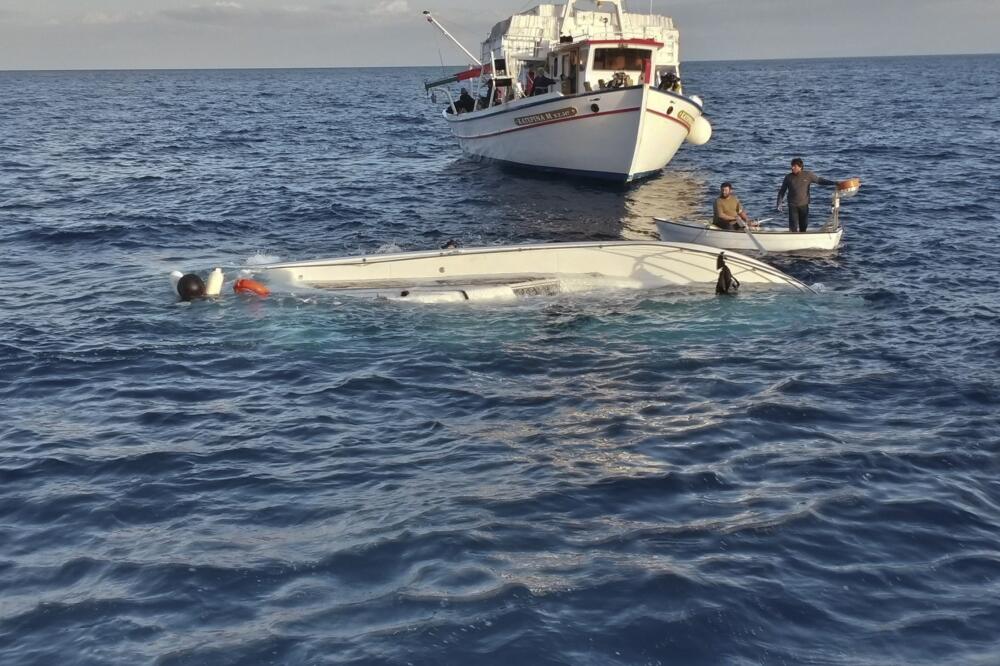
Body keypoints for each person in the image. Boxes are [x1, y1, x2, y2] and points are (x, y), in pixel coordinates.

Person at [776, 157, 836, 232]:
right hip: (792, 205)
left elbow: (819, 180)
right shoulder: (788, 177)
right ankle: (793, 237)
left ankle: (802, 237)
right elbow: (782, 191)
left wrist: (834, 183)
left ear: (800, 167)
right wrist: (779, 203)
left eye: (794, 166)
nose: (792, 168)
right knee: (793, 226)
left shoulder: (808, 175)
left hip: (804, 204)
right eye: (792, 166)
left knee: (803, 225)